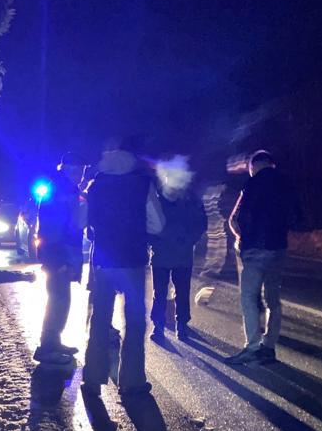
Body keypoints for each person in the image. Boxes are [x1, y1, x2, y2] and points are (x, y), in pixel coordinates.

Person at [82, 139, 164, 397]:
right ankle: (132, 380)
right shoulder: (142, 183)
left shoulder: (96, 185)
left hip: (104, 260)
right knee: (135, 319)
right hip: (132, 257)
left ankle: (93, 375)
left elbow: (85, 222)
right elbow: (157, 224)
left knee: (101, 316)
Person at [226, 150, 299, 364]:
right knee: (273, 299)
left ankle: (252, 347)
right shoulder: (287, 183)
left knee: (249, 297)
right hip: (278, 248)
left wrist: (243, 238)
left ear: (253, 166)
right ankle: (269, 346)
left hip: (255, 249)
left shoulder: (252, 184)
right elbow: (297, 217)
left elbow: (237, 218)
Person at [33, 154, 88, 366]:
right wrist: (61, 258)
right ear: (69, 168)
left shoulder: (60, 186)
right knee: (58, 300)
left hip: (56, 252)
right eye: (79, 170)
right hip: (58, 254)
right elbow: (56, 227)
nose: (82, 175)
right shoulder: (62, 189)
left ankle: (53, 342)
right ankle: (47, 347)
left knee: (60, 300)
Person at [149, 183, 207, 341]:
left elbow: (148, 223)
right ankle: (178, 327)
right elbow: (201, 224)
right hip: (179, 254)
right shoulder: (189, 200)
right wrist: (189, 241)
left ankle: (163, 327)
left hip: (166, 254)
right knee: (177, 292)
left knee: (163, 292)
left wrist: (154, 241)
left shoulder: (158, 201)